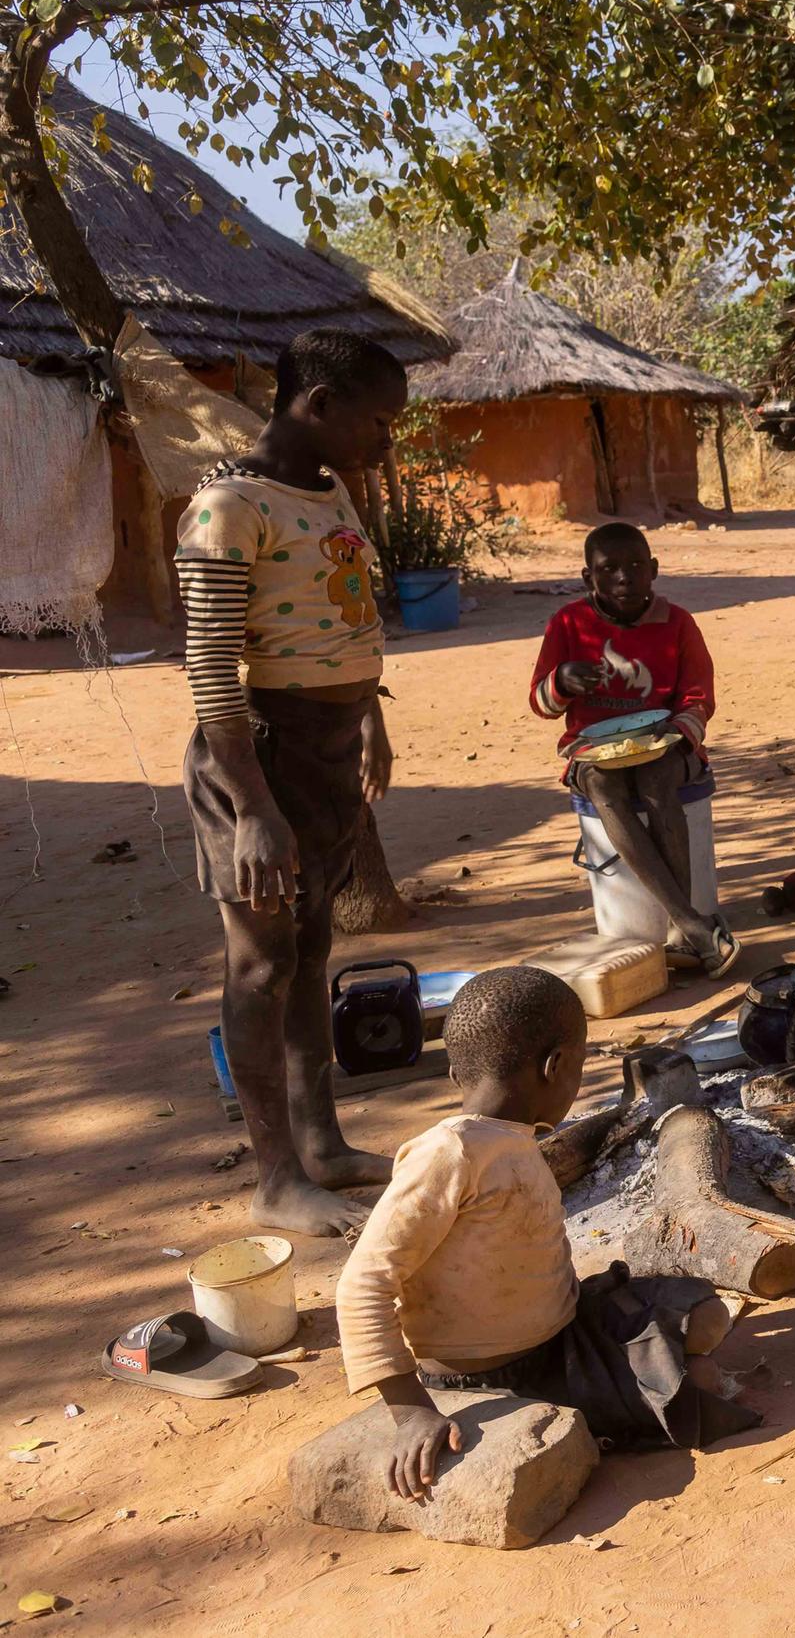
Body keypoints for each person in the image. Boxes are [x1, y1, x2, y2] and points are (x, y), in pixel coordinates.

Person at [336, 965, 755, 1499]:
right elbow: (361, 1285)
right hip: (496, 1374)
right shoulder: (450, 1153)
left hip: (564, 1331)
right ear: (556, 1066)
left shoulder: (511, 1138)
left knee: (704, 1316)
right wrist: (411, 1413)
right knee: (699, 1387)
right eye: (579, 1067)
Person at [177, 328, 407, 1237]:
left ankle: (321, 1147)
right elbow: (210, 671)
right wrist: (253, 810)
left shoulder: (329, 488)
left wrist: (370, 717)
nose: (386, 440)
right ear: (316, 405)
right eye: (379, 421)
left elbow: (341, 613)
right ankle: (274, 1176)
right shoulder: (226, 510)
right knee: (261, 962)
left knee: (312, 948)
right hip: (259, 758)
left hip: (326, 748)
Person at [530, 522, 735, 972]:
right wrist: (562, 681)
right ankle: (689, 923)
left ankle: (684, 931)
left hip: (666, 744)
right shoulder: (567, 624)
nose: (624, 577)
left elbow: (698, 698)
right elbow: (540, 703)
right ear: (589, 578)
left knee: (658, 778)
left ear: (654, 570)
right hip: (591, 751)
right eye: (609, 569)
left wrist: (674, 736)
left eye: (636, 566)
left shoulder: (677, 622)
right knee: (604, 787)